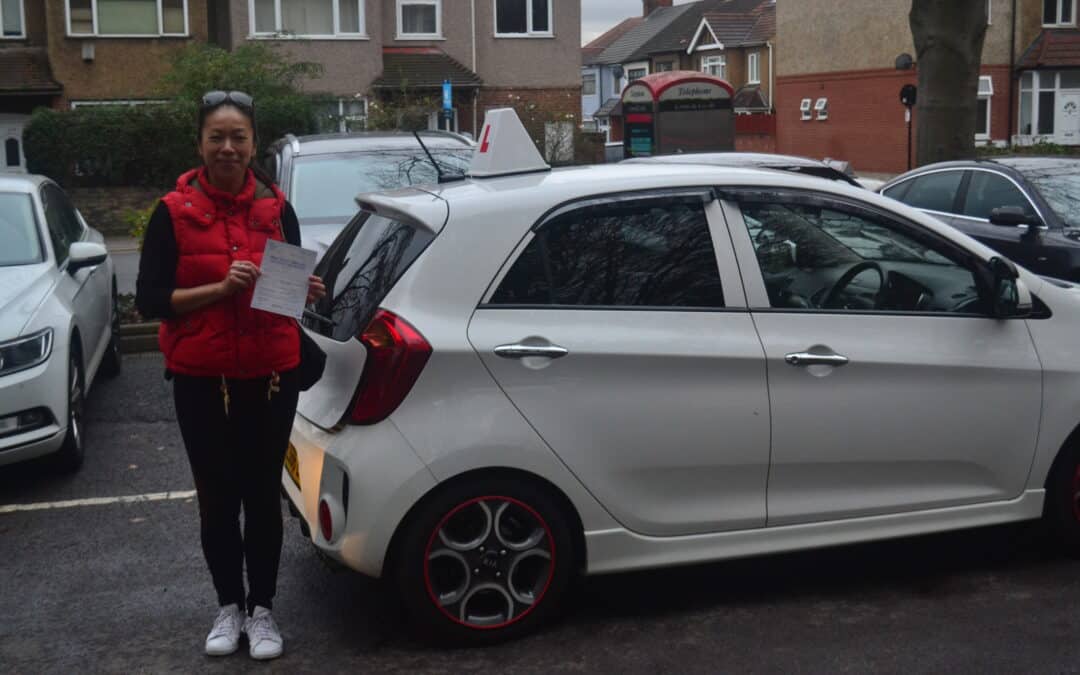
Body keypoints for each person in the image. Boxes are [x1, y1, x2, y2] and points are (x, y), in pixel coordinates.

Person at [135, 90, 325, 661]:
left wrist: (304, 291)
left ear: (251, 144)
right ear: (200, 143)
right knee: (218, 499)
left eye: (237, 136)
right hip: (202, 378)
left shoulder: (276, 204)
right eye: (216, 136)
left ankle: (262, 609)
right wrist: (219, 290)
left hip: (271, 375)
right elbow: (150, 300)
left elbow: (286, 290)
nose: (227, 146)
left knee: (263, 496)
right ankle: (229, 606)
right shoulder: (171, 212)